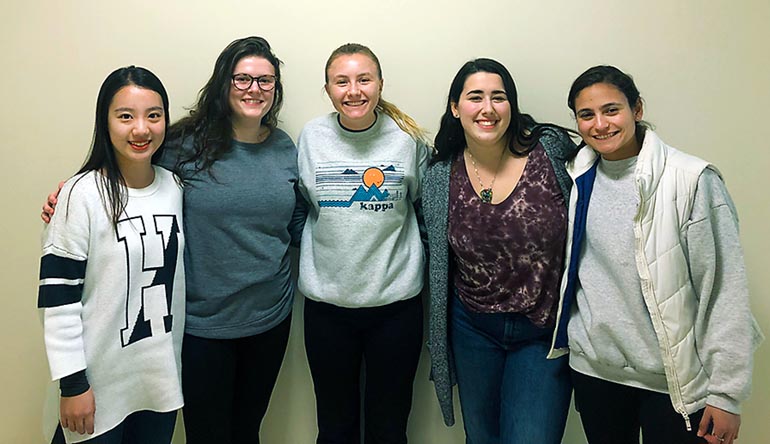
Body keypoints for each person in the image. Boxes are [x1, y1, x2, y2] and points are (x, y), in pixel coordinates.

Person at [41, 36, 305, 444]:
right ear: (223, 83)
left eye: (265, 81)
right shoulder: (184, 145)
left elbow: (297, 219)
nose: (254, 89)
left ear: (276, 89)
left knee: (248, 431)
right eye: (242, 79)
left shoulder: (285, 147)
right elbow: (126, 170)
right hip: (202, 328)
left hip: (269, 318)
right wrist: (69, 193)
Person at [549, 64, 764, 444]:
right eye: (587, 115)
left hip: (673, 383)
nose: (600, 124)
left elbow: (724, 290)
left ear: (637, 109)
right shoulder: (578, 176)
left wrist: (726, 395)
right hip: (596, 373)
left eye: (612, 110)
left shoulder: (692, 180)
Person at [423, 58, 577, 444]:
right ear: (456, 108)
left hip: (542, 332)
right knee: (482, 438)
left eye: (499, 97)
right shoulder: (441, 174)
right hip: (472, 329)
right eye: (475, 97)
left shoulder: (551, 151)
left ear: (512, 105)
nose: (488, 108)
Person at [39, 66, 184, 444]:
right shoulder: (80, 194)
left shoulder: (176, 187)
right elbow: (58, 299)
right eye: (125, 116)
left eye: (154, 115)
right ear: (105, 122)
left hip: (159, 383)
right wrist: (72, 384)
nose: (141, 129)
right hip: (96, 387)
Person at [297, 43, 429, 444]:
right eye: (342, 81)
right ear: (328, 89)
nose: (353, 91)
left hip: (396, 309)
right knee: (335, 428)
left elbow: (423, 212)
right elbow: (303, 207)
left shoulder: (406, 140)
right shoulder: (312, 137)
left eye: (363, 79)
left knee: (389, 428)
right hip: (327, 309)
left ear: (380, 84)